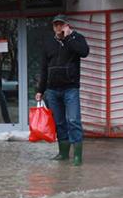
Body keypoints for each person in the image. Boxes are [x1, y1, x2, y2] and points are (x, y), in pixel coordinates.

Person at [35, 14, 89, 166]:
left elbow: (84, 52)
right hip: (52, 90)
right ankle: (63, 153)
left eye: (61, 24)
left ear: (67, 25)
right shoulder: (49, 43)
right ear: (53, 27)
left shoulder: (76, 38)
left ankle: (77, 156)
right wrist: (40, 89)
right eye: (56, 25)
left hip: (70, 89)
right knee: (59, 122)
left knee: (73, 120)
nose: (58, 27)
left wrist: (69, 37)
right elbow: (44, 68)